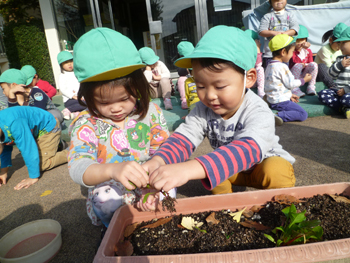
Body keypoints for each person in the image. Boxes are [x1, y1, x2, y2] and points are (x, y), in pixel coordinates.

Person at [142, 26, 296, 196]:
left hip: (262, 166)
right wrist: (158, 160)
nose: (209, 95)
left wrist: (187, 169)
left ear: (249, 78)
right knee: (214, 170)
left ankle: (278, 206)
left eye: (220, 86)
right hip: (233, 172)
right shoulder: (202, 110)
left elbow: (248, 149)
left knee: (276, 171)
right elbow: (183, 138)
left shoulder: (258, 110)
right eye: (200, 86)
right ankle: (228, 208)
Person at [68, 28, 176, 228]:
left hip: (148, 177)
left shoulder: (150, 112)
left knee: (169, 187)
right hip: (113, 185)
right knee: (106, 201)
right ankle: (116, 230)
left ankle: (157, 221)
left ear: (138, 87)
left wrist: (156, 175)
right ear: (87, 96)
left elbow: (163, 148)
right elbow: (77, 167)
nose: (116, 108)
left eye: (125, 99)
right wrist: (112, 170)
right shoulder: (86, 123)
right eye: (103, 102)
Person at [0, 106, 68, 190]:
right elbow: (5, 146)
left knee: (42, 164)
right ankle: (57, 144)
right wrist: (3, 172)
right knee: (36, 158)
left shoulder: (14, 123)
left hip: (48, 127)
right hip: (34, 132)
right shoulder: (4, 129)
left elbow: (28, 148)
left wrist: (33, 177)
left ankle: (73, 152)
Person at [265, 34, 311, 123]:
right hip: (281, 102)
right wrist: (304, 80)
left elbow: (275, 85)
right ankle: (277, 116)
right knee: (303, 114)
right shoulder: (282, 67)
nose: (291, 55)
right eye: (291, 52)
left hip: (272, 100)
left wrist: (289, 95)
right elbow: (291, 84)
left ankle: (276, 112)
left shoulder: (269, 66)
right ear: (283, 52)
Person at [319, 26, 350, 118]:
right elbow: (331, 74)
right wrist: (339, 65)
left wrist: (346, 90)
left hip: (348, 91)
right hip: (337, 90)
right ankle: (343, 108)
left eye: (343, 43)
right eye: (339, 43)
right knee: (322, 94)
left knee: (346, 98)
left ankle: (344, 105)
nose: (340, 46)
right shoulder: (340, 58)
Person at [258, 0, 299, 68]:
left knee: (284, 73)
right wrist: (274, 33)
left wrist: (285, 33)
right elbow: (261, 31)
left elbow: (295, 29)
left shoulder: (290, 15)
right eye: (276, 0)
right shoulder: (267, 16)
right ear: (270, 2)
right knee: (271, 73)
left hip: (285, 53)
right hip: (270, 53)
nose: (279, 1)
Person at [288, 25, 318, 97]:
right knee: (299, 65)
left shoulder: (308, 51)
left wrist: (304, 50)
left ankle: (311, 86)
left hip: (303, 74)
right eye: (297, 40)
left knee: (314, 64)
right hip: (293, 75)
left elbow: (310, 62)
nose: (300, 42)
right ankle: (295, 88)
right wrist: (299, 50)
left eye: (302, 40)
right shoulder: (292, 50)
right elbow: (295, 61)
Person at [57, 51, 86, 120]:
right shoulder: (62, 76)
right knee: (84, 104)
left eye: (71, 61)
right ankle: (67, 110)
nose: (69, 64)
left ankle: (76, 114)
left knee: (91, 103)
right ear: (61, 65)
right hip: (69, 100)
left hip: (81, 98)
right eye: (66, 62)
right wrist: (73, 96)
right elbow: (63, 89)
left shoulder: (77, 73)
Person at [245, 29, 265, 98]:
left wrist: (258, 49)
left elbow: (258, 64)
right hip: (244, 80)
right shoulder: (242, 52)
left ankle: (260, 91)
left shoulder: (255, 52)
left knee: (260, 69)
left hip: (253, 80)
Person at [176, 41, 195, 109]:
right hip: (186, 84)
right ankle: (184, 99)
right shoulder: (180, 62)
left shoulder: (197, 59)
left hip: (196, 82)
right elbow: (181, 73)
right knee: (182, 79)